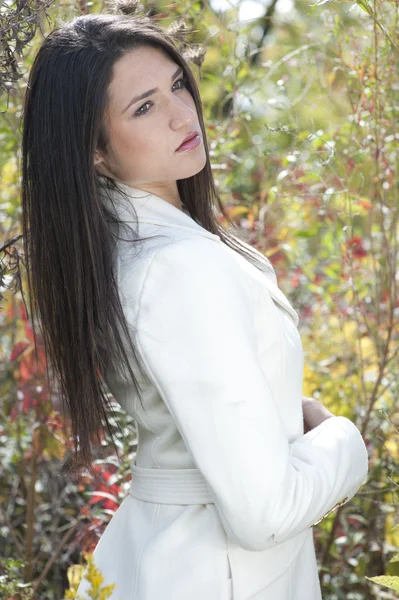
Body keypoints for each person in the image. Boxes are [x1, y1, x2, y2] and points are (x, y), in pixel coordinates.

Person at [20, 7, 369, 600]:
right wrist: (343, 439)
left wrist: (287, 405)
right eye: (145, 107)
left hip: (168, 555)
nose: (184, 113)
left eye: (177, 84)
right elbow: (266, 512)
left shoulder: (133, 249)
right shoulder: (179, 267)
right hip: (218, 574)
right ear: (96, 152)